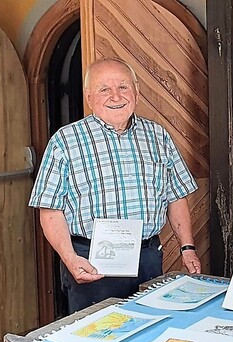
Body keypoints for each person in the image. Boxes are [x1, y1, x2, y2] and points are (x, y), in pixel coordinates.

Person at [29, 57, 201, 314]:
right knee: (96, 336)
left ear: (137, 92)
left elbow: (176, 196)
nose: (115, 96)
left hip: (147, 258)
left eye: (123, 86)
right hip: (92, 260)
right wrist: (70, 259)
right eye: (104, 89)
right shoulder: (65, 142)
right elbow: (50, 210)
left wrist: (187, 248)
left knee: (150, 332)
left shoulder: (157, 136)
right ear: (89, 97)